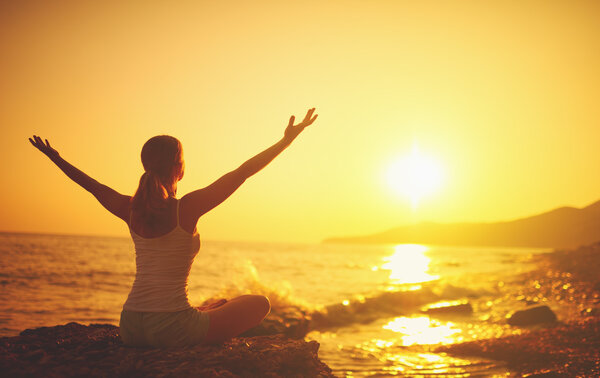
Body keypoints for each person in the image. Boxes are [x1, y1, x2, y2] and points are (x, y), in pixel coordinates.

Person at [28, 107, 319, 347]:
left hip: (131, 324)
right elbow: (243, 172)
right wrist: (286, 141)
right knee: (260, 303)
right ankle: (195, 318)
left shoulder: (131, 208)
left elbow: (92, 186)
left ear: (146, 165)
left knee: (218, 303)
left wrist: (56, 158)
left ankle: (199, 312)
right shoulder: (187, 208)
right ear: (180, 168)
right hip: (171, 329)